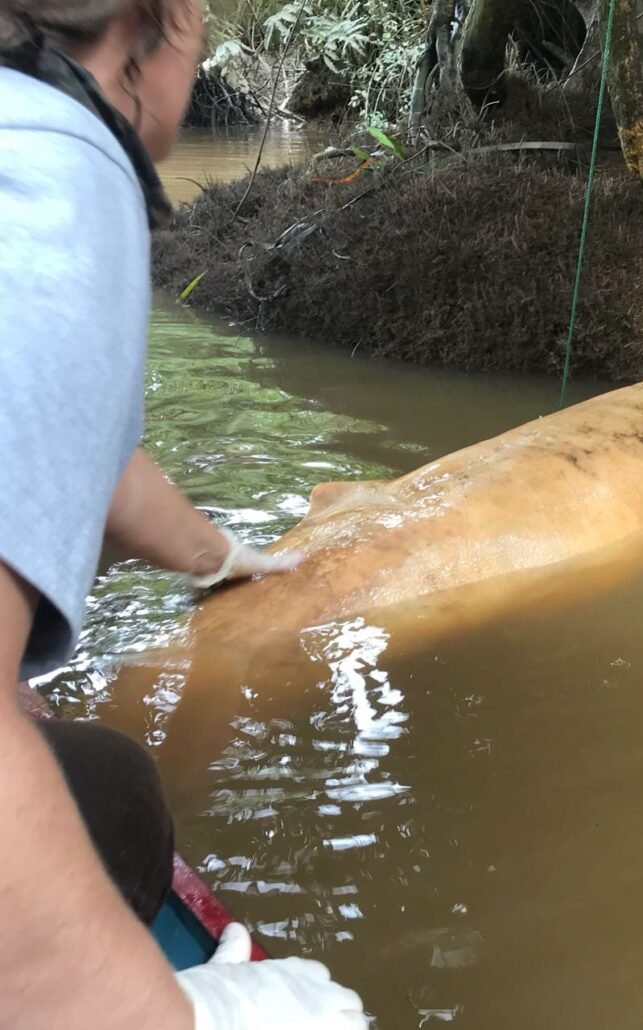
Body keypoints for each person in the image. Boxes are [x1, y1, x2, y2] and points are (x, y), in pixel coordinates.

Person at [0, 1, 369, 1026]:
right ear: (161, 30)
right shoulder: (53, 173)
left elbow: (96, 463)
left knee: (106, 789)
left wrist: (225, 559)